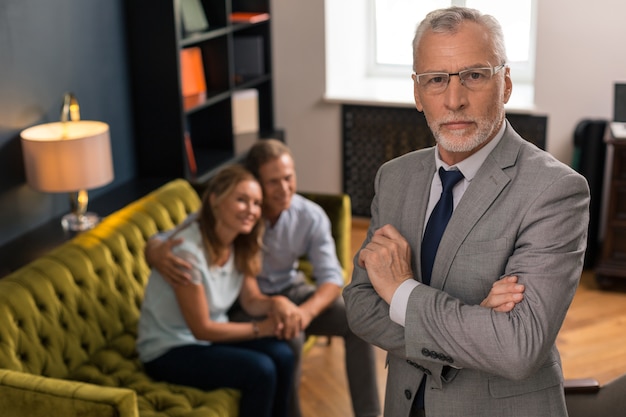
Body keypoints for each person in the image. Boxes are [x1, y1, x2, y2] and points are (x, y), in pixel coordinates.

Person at [343, 6, 590, 417]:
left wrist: (402, 292)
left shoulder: (556, 190)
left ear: (505, 83)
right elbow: (360, 306)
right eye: (436, 80)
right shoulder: (394, 177)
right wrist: (477, 327)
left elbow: (517, 348)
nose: (454, 100)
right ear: (417, 93)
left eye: (474, 75)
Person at [145, 139, 381, 417]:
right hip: (240, 306)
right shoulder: (236, 214)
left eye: (288, 178)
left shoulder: (308, 215)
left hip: (286, 292)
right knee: (288, 339)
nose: (284, 189)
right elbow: (177, 236)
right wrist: (154, 250)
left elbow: (331, 278)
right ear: (254, 181)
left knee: (357, 321)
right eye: (272, 182)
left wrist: (303, 314)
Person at [137, 164, 295, 417]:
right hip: (168, 349)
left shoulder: (239, 243)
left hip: (205, 341)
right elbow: (202, 328)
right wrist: (260, 329)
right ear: (215, 201)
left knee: (283, 355)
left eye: (256, 203)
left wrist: (276, 303)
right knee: (260, 370)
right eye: (241, 200)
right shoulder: (187, 251)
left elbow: (251, 300)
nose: (251, 211)